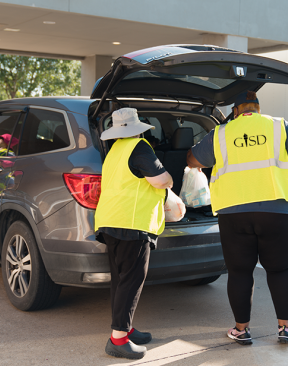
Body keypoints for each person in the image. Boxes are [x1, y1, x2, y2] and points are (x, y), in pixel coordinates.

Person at [186, 91, 288, 345]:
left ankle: (241, 330)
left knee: (239, 272)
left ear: (235, 111)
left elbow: (192, 160)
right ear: (258, 108)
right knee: (281, 269)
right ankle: (285, 329)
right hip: (277, 211)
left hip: (234, 213)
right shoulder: (280, 126)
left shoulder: (222, 133)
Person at [94, 108, 173, 360]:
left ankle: (125, 329)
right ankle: (118, 339)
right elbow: (160, 180)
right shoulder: (140, 147)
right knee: (132, 280)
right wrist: (171, 180)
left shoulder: (114, 151)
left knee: (121, 280)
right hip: (132, 223)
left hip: (110, 221)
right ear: (138, 127)